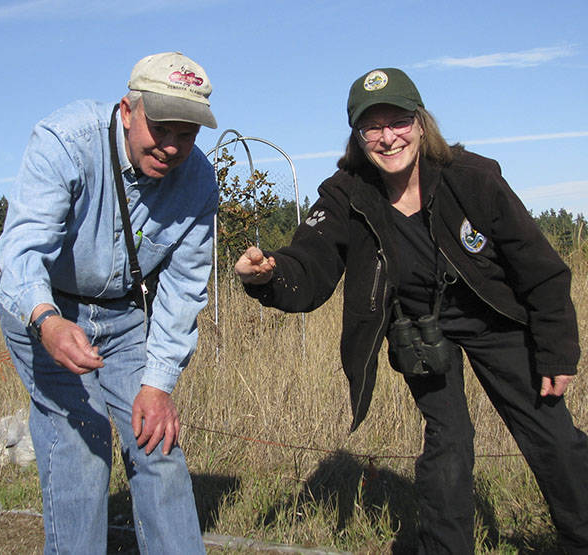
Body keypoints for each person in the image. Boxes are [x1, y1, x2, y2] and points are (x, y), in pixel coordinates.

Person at [234, 67, 588, 553]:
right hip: (420, 327)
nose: (387, 137)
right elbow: (312, 257)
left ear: (421, 122)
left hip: (494, 317)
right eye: (372, 126)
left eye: (398, 120)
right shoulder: (346, 192)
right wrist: (272, 274)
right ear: (358, 137)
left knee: (550, 432)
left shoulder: (474, 178)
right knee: (449, 440)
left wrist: (555, 351)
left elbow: (540, 268)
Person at [0, 52, 218, 554]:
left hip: (123, 317)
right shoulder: (66, 142)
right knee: (80, 447)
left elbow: (184, 290)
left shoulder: (200, 181)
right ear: (127, 110)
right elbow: (21, 251)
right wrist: (48, 322)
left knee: (157, 445)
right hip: (45, 308)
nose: (172, 146)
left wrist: (158, 385)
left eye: (187, 135)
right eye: (161, 128)